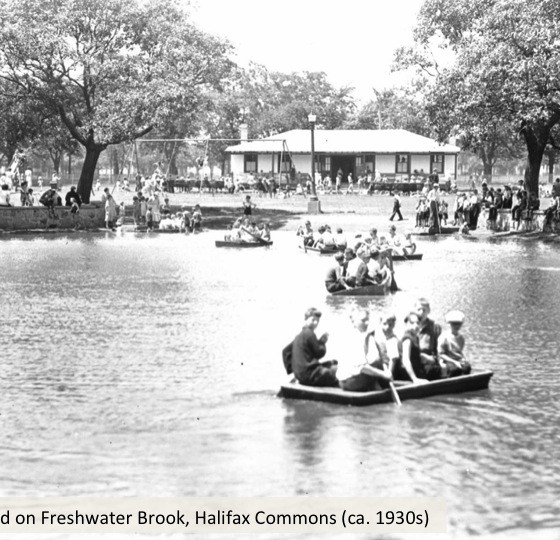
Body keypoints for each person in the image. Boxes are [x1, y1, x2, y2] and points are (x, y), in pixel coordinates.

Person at [289, 308, 339, 387]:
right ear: (306, 319)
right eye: (313, 320)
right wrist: (322, 342)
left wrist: (295, 370)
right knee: (333, 368)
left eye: (317, 321)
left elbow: (285, 352)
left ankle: (298, 378)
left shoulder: (298, 336)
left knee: (332, 363)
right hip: (309, 375)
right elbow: (319, 353)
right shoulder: (309, 333)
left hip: (300, 375)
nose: (315, 323)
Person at [414, 298, 446, 380]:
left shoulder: (435, 328)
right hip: (414, 360)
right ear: (414, 311)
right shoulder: (410, 325)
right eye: (419, 309)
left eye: (424, 310)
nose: (421, 312)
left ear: (428, 311)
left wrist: (429, 358)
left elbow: (439, 351)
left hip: (428, 362)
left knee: (432, 370)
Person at [438, 310, 472, 377]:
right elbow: (441, 354)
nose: (457, 326)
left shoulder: (461, 338)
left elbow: (460, 351)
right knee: (454, 370)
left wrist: (464, 359)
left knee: (467, 367)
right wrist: (454, 362)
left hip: (458, 359)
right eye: (454, 324)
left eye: (459, 324)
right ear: (450, 324)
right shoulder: (444, 337)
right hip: (447, 361)